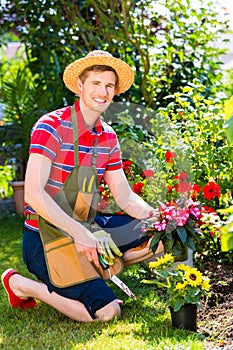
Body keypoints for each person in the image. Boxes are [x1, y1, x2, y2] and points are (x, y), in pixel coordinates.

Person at [1, 50, 163, 322]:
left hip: (88, 226)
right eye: (96, 84)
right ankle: (22, 285)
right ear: (80, 86)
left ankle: (92, 273)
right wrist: (79, 233)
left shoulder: (108, 137)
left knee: (163, 237)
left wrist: (161, 219)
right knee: (106, 313)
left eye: (109, 85)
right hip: (45, 236)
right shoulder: (51, 126)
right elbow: (32, 193)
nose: (103, 92)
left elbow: (124, 195)